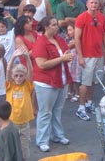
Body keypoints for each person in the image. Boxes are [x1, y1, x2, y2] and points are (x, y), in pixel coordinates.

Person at [31, 16, 74, 152]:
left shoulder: (58, 39)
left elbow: (64, 52)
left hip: (61, 79)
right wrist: (62, 58)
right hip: (45, 82)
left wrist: (66, 55)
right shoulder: (40, 43)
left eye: (56, 24)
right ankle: (42, 140)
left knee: (57, 110)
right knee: (45, 112)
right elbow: (41, 64)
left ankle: (57, 135)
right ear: (46, 27)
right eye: (54, 25)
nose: (57, 27)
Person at [75, 0, 105, 121]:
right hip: (87, 55)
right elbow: (77, 38)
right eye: (92, 3)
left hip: (98, 54)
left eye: (96, 3)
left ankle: (89, 103)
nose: (94, 5)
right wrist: (80, 56)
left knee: (94, 81)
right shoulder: (81, 18)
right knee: (85, 82)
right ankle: (81, 107)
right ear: (87, 4)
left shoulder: (102, 17)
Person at [5, 47, 34, 160]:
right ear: (12, 76)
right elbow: (8, 71)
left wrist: (27, 58)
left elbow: (30, 71)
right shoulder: (9, 86)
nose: (18, 78)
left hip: (24, 124)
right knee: (11, 147)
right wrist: (12, 58)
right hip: (12, 122)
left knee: (24, 148)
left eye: (21, 75)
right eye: (16, 75)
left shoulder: (27, 86)